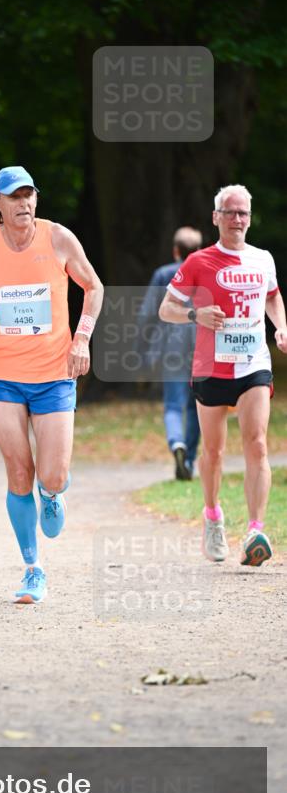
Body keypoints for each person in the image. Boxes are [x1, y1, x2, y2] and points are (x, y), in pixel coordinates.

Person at [0, 166, 104, 604]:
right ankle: (33, 568)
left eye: (29, 195)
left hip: (54, 371)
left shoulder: (57, 238)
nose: (24, 204)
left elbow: (93, 288)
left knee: (50, 475)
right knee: (19, 471)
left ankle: (52, 494)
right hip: (1, 372)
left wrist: (82, 338)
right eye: (13, 197)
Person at [159, 184, 287, 566]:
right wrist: (196, 315)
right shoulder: (199, 261)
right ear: (216, 217)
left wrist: (280, 327)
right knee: (213, 452)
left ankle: (254, 530)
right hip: (210, 367)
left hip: (253, 364)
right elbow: (167, 309)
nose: (237, 219)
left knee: (258, 444)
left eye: (243, 213)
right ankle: (212, 516)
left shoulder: (262, 259)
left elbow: (272, 296)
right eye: (230, 212)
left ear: (250, 216)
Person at [139, 227, 202, 479]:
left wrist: (142, 349)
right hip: (201, 347)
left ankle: (177, 443)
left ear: (175, 250)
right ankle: (188, 460)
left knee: (173, 405)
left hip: (170, 347)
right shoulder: (205, 272)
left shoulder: (163, 274)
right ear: (197, 250)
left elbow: (146, 315)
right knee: (197, 405)